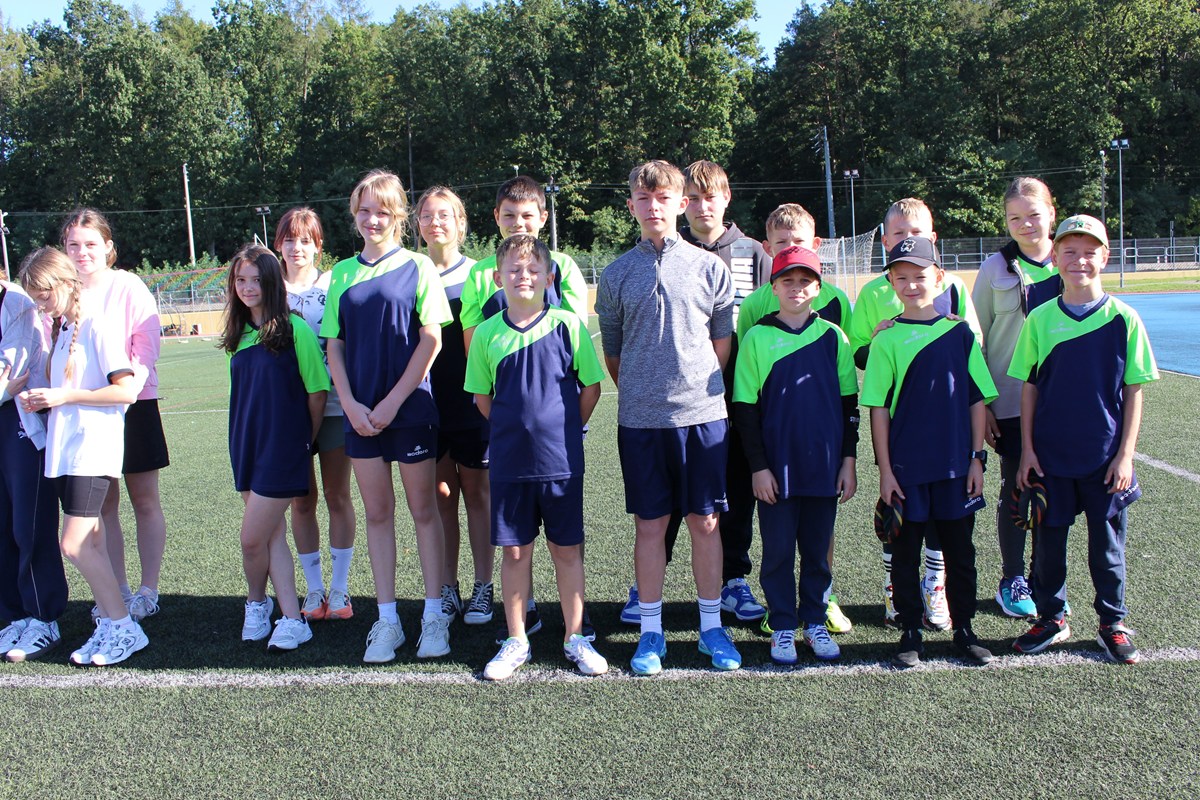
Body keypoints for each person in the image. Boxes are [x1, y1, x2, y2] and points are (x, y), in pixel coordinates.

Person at [595, 159, 739, 675]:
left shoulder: (710, 268)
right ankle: (651, 632)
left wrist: (690, 389)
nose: (653, 206)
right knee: (650, 525)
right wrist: (646, 392)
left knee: (706, 521)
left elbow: (721, 345)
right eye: (643, 198)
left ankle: (710, 628)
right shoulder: (615, 274)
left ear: (681, 203)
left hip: (702, 418)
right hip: (641, 421)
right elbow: (614, 355)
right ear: (630, 205)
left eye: (663, 198)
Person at [621, 160, 772, 628]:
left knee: (724, 503)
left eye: (712, 197)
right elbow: (615, 352)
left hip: (725, 401)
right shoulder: (628, 268)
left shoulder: (746, 254)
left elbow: (734, 334)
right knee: (658, 512)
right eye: (644, 199)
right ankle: (649, 592)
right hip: (655, 409)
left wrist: (709, 381)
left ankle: (732, 581)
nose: (704, 207)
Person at [1008, 215, 1158, 664]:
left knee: (1107, 550)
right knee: (1048, 548)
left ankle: (1112, 623)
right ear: (1054, 257)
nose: (1079, 260)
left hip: (1104, 459)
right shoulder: (1040, 318)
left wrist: (1125, 455)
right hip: (1050, 458)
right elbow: (1029, 388)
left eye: (1089, 252)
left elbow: (1134, 391)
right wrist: (1027, 450)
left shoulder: (1124, 318)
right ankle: (1051, 618)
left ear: (1105, 257)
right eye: (1069, 251)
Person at [320, 169, 454, 663]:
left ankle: (434, 616)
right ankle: (388, 620)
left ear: (397, 215)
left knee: (424, 510)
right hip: (359, 416)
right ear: (354, 215)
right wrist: (351, 404)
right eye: (364, 210)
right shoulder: (340, 273)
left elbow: (431, 339)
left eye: (381, 210)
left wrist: (395, 401)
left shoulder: (419, 266)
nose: (372, 219)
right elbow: (334, 345)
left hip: (410, 409)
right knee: (377, 514)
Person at [465, 234, 607, 680]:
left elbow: (591, 388)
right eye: (513, 269)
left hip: (561, 462)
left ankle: (575, 636)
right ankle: (516, 638)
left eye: (532, 270)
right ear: (497, 278)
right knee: (514, 552)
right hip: (509, 464)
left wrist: (564, 430)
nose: (523, 276)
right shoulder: (486, 333)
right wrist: (514, 431)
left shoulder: (568, 325)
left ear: (549, 278)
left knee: (566, 550)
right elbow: (482, 398)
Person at [458, 174, 591, 640]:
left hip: (558, 417)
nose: (519, 223)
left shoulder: (563, 265)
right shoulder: (481, 273)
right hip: (509, 413)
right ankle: (524, 612)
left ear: (543, 217)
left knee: (564, 537)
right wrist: (506, 413)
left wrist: (569, 420)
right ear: (496, 217)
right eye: (510, 215)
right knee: (516, 540)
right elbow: (475, 344)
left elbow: (576, 340)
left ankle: (576, 622)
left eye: (528, 215)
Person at [860, 237, 997, 668]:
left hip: (956, 468)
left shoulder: (959, 333)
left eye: (920, 276)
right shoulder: (886, 339)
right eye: (901, 277)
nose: (911, 284)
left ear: (939, 278)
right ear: (891, 283)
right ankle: (910, 632)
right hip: (907, 470)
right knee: (904, 554)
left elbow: (977, 400)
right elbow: (878, 409)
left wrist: (976, 459)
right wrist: (885, 471)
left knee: (960, 554)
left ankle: (964, 629)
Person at [846, 198, 980, 629]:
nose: (907, 239)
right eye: (899, 233)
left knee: (950, 532)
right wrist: (882, 341)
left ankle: (936, 587)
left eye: (916, 233)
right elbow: (860, 351)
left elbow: (971, 361)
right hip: (904, 434)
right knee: (902, 523)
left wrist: (978, 452)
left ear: (933, 241)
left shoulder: (954, 290)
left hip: (950, 435)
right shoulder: (874, 292)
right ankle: (897, 594)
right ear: (886, 242)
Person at [17, 247, 147, 666]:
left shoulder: (96, 325)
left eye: (43, 295)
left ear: (64, 283)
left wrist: (63, 396)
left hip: (92, 450)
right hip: (69, 452)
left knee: (73, 545)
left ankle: (125, 627)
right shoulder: (65, 329)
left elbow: (126, 390)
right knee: (91, 541)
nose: (40, 305)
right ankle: (109, 623)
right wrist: (46, 400)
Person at [731, 246, 858, 664]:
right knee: (779, 552)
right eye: (788, 280)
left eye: (806, 281)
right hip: (777, 470)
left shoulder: (833, 337)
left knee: (818, 553)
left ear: (818, 288)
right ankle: (783, 624)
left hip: (824, 467)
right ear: (773, 287)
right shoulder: (757, 337)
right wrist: (759, 467)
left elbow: (849, 405)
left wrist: (848, 461)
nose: (797, 288)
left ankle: (815, 621)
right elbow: (745, 409)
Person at [62, 210, 168, 624]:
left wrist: (127, 391)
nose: (82, 252)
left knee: (144, 499)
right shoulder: (64, 290)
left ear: (108, 246)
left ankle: (148, 591)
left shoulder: (127, 285)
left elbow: (147, 345)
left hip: (134, 404)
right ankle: (118, 589)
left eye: (90, 244)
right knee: (103, 504)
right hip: (87, 409)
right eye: (73, 244)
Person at [220, 245, 327, 653]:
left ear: (271, 283)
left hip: (283, 449)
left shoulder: (294, 329)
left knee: (251, 539)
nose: (248, 287)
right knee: (271, 536)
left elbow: (317, 393)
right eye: (240, 280)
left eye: (256, 280)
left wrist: (303, 441)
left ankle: (256, 602)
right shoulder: (238, 334)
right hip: (245, 444)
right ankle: (290, 617)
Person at [972, 177, 1063, 618]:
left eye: (1033, 215)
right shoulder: (994, 269)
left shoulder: (1071, 260)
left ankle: (1045, 578)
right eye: (1014, 218)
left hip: (1063, 403)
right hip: (1009, 400)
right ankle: (1012, 578)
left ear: (1052, 213)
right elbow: (977, 340)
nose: (1025, 224)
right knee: (1017, 487)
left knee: (1054, 491)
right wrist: (986, 403)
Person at [415, 186, 494, 626]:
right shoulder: (410, 271)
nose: (435, 222)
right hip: (428, 402)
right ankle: (447, 587)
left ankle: (484, 586)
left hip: (471, 402)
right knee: (441, 495)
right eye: (427, 215)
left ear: (461, 222)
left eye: (444, 214)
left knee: (478, 493)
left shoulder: (480, 274)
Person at [275, 207, 356, 623]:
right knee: (302, 501)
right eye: (290, 239)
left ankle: (339, 588)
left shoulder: (335, 284)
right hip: (289, 413)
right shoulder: (271, 288)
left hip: (336, 407)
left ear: (318, 246)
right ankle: (313, 588)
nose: (297, 247)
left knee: (338, 495)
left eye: (305, 240)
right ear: (278, 245)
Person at [0, 277, 67, 663]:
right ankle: (14, 615)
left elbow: (11, 373)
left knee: (29, 524)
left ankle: (44, 617)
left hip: (21, 423)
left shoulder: (16, 302)